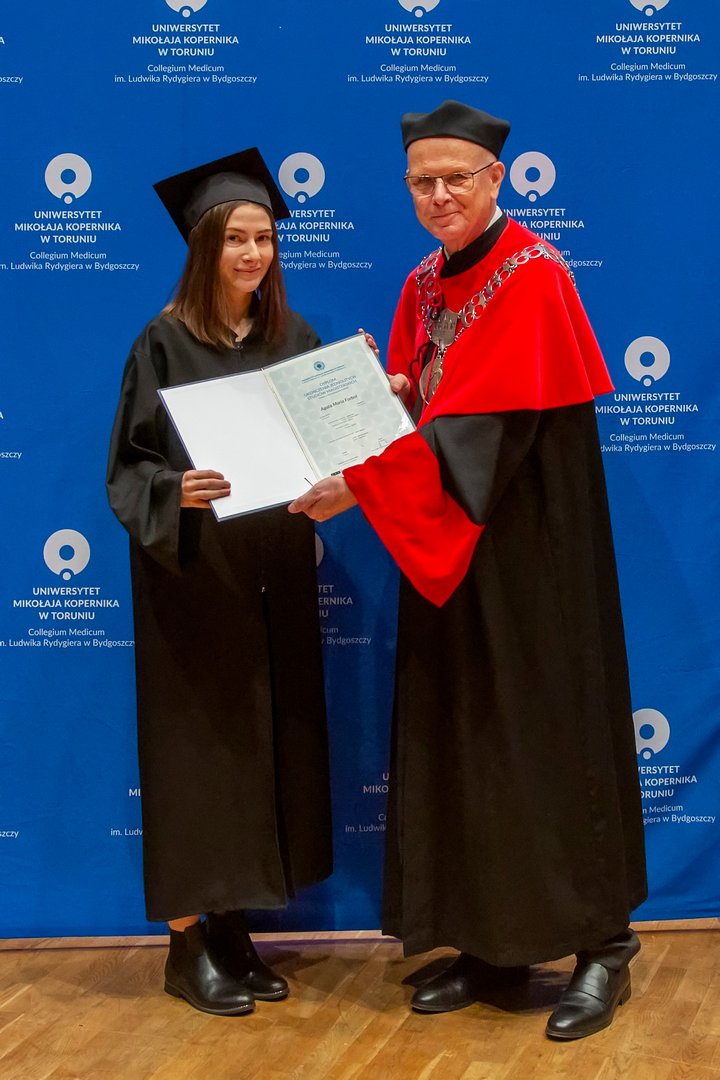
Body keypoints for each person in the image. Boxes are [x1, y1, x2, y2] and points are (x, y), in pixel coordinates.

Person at [289, 101, 647, 1040]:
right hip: (449, 551)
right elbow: (428, 406)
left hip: (529, 554)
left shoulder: (534, 276)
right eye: (422, 181)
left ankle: (603, 945)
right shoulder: (423, 282)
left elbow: (483, 437)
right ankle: (497, 944)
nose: (439, 195)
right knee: (473, 740)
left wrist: (363, 484)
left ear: (498, 178)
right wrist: (386, 395)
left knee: (547, 735)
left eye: (456, 177)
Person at [107, 148, 333, 1017]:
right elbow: (128, 469)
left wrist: (360, 401)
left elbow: (327, 447)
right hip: (194, 584)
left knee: (261, 753)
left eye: (264, 237)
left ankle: (234, 930)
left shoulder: (294, 340)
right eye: (236, 238)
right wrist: (178, 489)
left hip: (273, 580)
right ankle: (184, 945)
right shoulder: (163, 342)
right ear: (205, 246)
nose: (253, 253)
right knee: (196, 761)